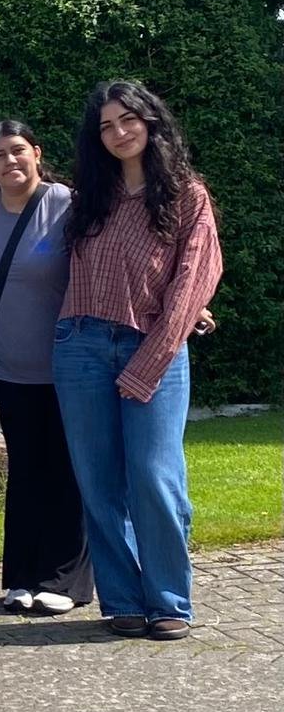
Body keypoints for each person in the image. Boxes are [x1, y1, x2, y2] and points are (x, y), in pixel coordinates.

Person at [53, 81, 222, 641]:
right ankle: (122, 598)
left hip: (153, 344)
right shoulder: (88, 198)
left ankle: (169, 598)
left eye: (128, 120)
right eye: (106, 125)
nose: (118, 132)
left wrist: (153, 356)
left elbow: (193, 279)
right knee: (98, 481)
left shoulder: (186, 196)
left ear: (151, 122)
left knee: (154, 475)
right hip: (79, 346)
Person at [0, 120, 95, 616]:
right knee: (24, 469)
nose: (9, 162)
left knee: (64, 468)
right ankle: (21, 575)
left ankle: (66, 579)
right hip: (6, 365)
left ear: (37, 153)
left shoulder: (69, 203)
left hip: (67, 363)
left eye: (17, 151)